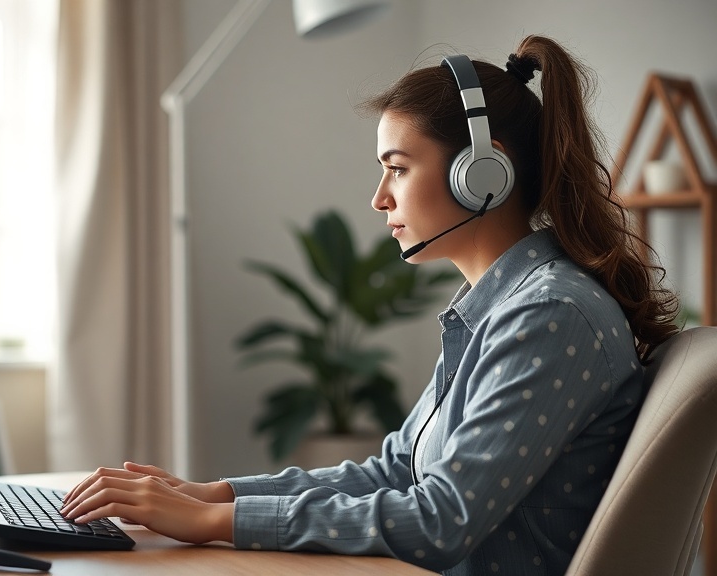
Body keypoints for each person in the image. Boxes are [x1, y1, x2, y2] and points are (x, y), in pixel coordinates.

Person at [60, 34, 680, 575]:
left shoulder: (550, 315)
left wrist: (212, 524)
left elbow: (441, 519)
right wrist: (214, 495)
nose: (380, 198)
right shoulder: (502, 308)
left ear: (483, 173)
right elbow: (395, 471)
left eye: (398, 168)